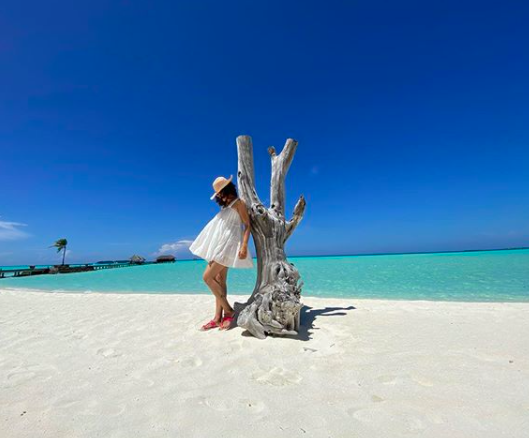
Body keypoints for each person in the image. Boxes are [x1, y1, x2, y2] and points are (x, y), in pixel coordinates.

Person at [189, 175, 254, 330]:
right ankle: (218, 317)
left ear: (226, 189)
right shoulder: (225, 206)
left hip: (229, 246)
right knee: (219, 279)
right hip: (219, 245)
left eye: (219, 192)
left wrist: (244, 245)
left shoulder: (239, 204)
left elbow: (247, 225)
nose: (218, 196)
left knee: (207, 277)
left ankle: (229, 311)